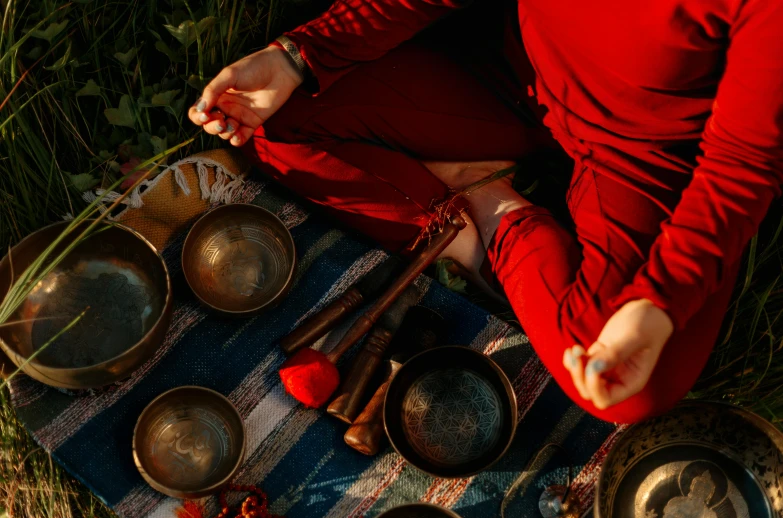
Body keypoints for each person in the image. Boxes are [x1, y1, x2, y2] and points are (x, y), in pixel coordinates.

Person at [187, 0, 783, 423]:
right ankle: (469, 213)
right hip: (509, 72)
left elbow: (740, 167)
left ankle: (490, 207)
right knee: (271, 121)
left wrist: (656, 305)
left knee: (630, 389)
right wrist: (298, 56)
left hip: (645, 154)